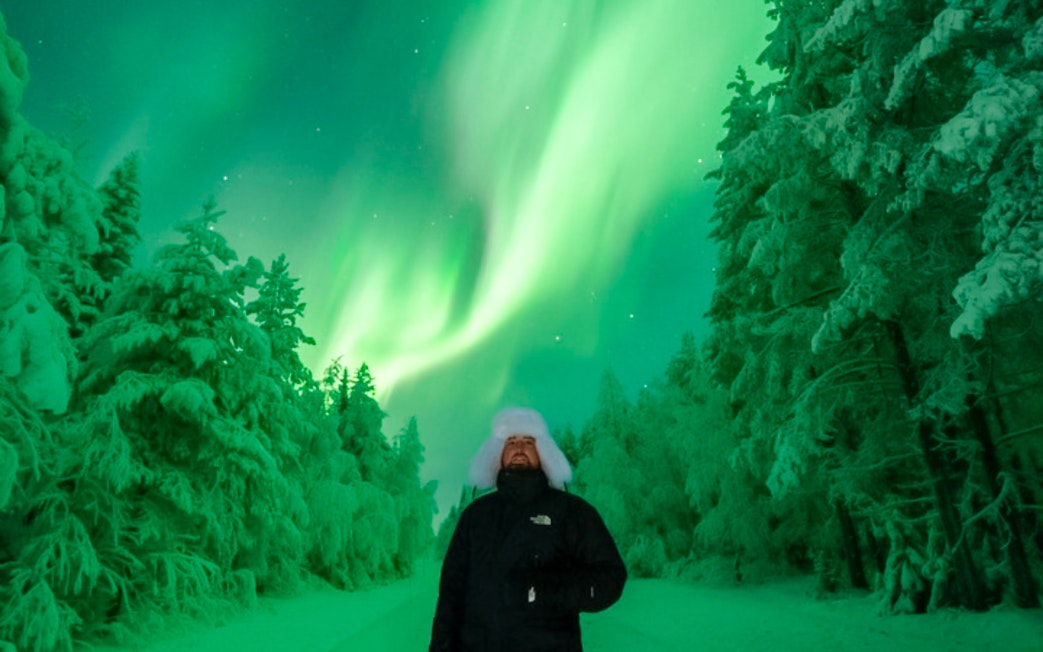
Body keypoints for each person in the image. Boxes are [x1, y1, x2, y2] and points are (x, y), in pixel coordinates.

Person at [430, 407, 627, 652]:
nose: (520, 448)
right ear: (497, 454)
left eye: (529, 442)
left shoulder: (571, 511)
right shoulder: (475, 516)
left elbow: (610, 577)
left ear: (543, 452)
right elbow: (451, 593)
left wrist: (545, 590)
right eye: (511, 441)